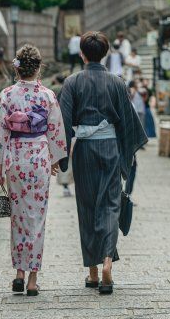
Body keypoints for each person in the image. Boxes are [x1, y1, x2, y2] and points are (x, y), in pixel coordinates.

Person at [58, 32, 148, 295]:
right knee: (110, 206)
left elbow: (64, 122)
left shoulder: (72, 82)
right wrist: (125, 156)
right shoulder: (117, 83)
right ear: (106, 53)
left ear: (82, 54)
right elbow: (128, 122)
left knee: (87, 208)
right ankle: (108, 262)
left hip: (84, 149)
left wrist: (61, 157)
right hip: (109, 147)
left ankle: (93, 273)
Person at [0, 44, 67, 296]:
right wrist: (53, 161)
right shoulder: (48, 96)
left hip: (15, 157)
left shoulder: (7, 95)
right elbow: (55, 131)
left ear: (17, 68)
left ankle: (18, 273)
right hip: (39, 156)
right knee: (36, 218)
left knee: (18, 217)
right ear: (39, 68)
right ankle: (32, 279)